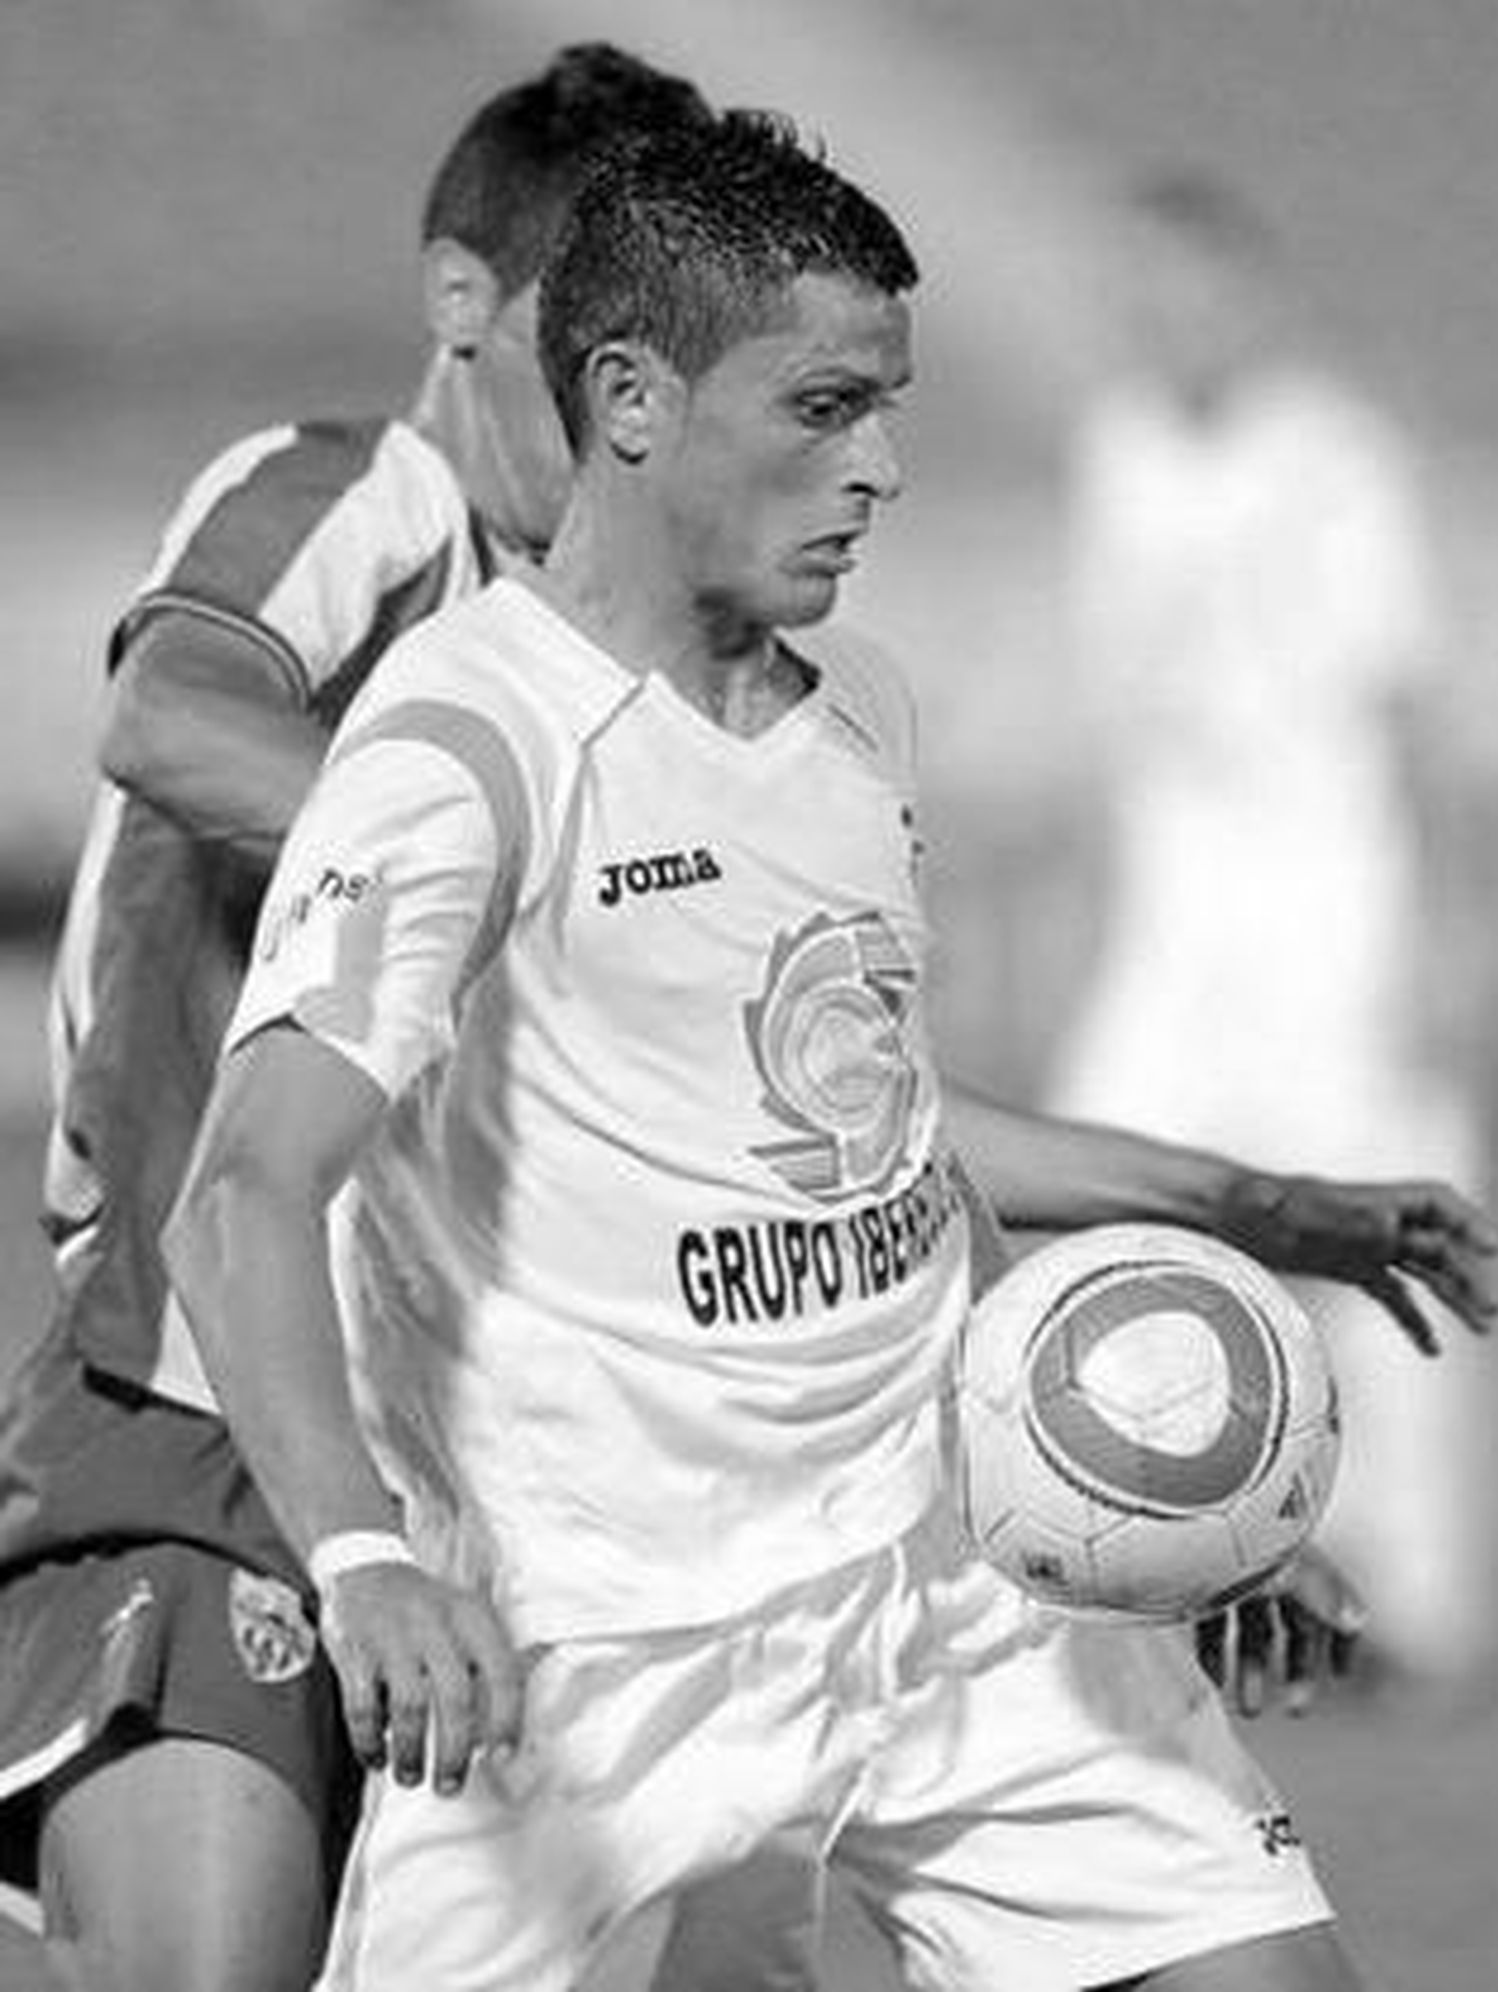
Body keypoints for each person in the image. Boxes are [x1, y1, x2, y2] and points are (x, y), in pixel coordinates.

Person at [166, 111, 1497, 1992]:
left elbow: (871, 1156)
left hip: (956, 1608)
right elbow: (241, 1197)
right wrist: (368, 1561)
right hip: (599, 1657)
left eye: (891, 408)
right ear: (632, 400)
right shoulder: (461, 749)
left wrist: (1138, 1508)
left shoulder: (859, 705)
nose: (878, 467)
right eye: (821, 409)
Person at [0, 46, 715, 1992]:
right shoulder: (346, 501)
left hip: (514, 1474)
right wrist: (494, 859)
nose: (627, 398)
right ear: (465, 304)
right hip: (205, 1417)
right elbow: (164, 717)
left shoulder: (624, 676)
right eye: (599, 330)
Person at [1040, 167, 1494, 1694]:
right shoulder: (1116, 456)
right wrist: (1089, 918)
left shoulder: (1338, 463)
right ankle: (1139, 1563)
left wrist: (1439, 929)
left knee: (1376, 1238)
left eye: (1186, 286)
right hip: (1178, 908)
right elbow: (1113, 726)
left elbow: (1409, 709)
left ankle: (1408, 1603)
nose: (1162, 318)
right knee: (1105, 1223)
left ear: (1250, 293)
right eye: (1139, 290)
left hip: (1331, 904)